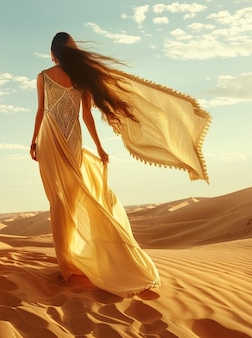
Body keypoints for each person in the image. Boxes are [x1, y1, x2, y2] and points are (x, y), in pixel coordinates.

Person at [30, 32, 211, 298]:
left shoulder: (43, 75)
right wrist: (99, 147)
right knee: (72, 195)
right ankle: (73, 260)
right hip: (71, 139)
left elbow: (41, 110)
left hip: (50, 138)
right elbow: (87, 117)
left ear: (53, 52)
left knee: (58, 198)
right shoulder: (81, 78)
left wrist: (33, 139)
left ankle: (68, 265)